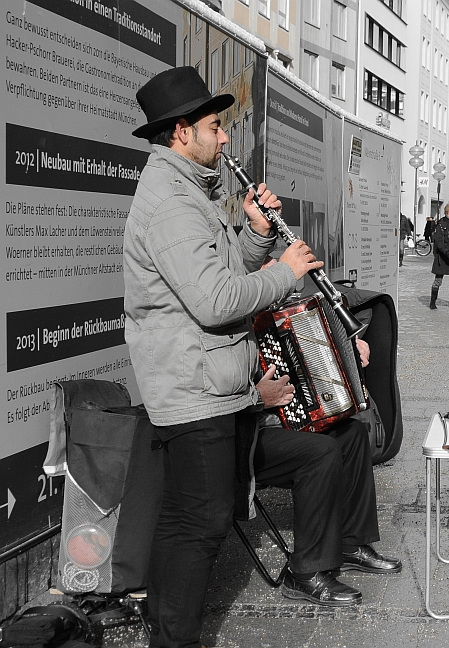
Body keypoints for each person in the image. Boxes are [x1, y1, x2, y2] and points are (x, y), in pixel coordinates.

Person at [123, 66, 322, 647]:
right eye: (216, 126)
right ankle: (172, 638)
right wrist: (285, 274)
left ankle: (164, 625)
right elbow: (215, 302)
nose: (226, 137)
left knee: (189, 516)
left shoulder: (189, 192)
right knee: (199, 523)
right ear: (182, 133)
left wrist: (258, 235)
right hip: (193, 388)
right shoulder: (171, 204)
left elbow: (222, 271)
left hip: (207, 381)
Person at [249, 337, 400, 608]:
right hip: (244, 438)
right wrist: (257, 396)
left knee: (352, 434)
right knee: (322, 450)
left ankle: (349, 544)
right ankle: (305, 572)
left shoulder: (255, 314)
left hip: (275, 422)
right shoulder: (220, 325)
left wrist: (350, 346)